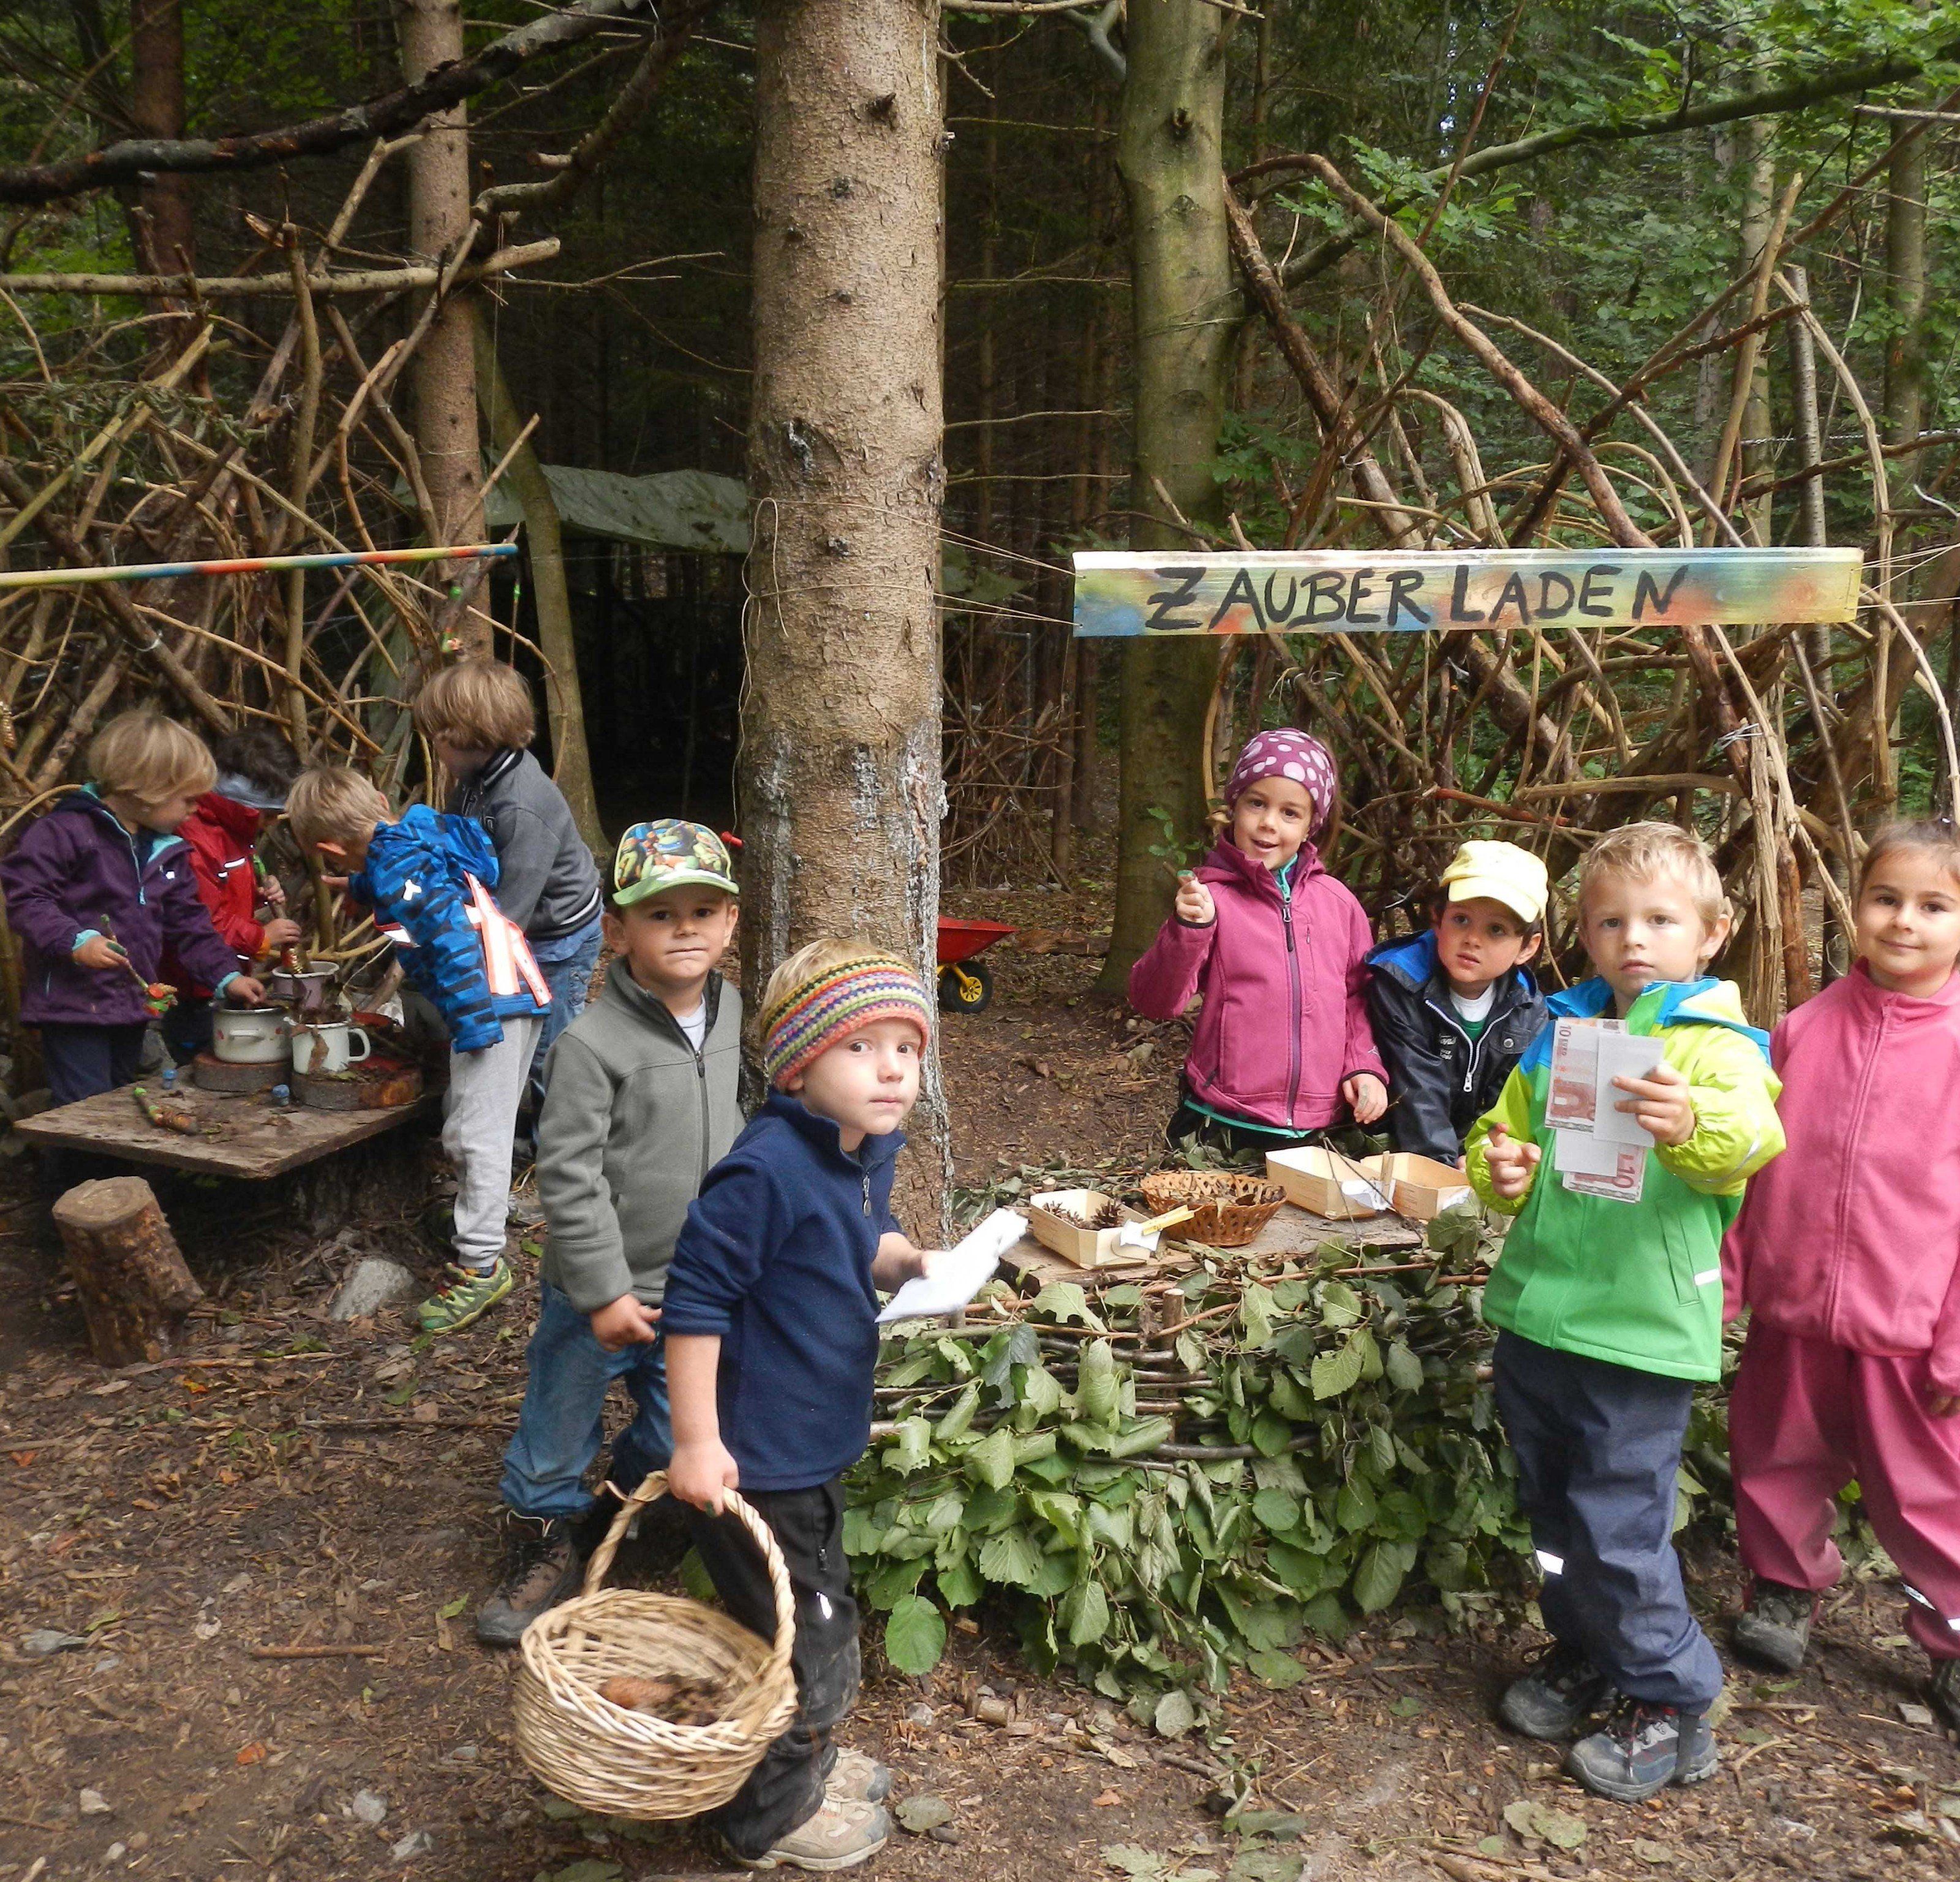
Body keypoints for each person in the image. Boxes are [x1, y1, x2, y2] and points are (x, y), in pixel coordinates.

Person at [1466, 821, 1784, 1803]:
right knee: (1556, 1515)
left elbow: (1752, 1140)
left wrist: (1692, 1123)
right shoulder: (1566, 1036)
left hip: (1640, 1335)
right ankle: (1588, 1648)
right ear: (1584, 936)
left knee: (1619, 1526)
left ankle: (1673, 1697)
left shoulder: (1718, 1048)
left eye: (1659, 919)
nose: (1634, 939)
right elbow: (1496, 1139)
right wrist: (1500, 1168)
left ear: (1712, 932)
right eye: (1611, 922)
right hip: (1542, 1317)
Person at [661, 941, 940, 1871]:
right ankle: (770, 1816)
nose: (893, 1067)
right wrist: (696, 1442)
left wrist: (900, 1260)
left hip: (810, 1444)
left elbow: (861, 1235)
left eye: (907, 1045)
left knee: (805, 1612)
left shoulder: (856, 1150)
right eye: (864, 1047)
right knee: (806, 1634)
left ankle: (802, 1759)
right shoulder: (767, 1170)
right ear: (800, 1063)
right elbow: (695, 1305)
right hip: (755, 1458)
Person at [476, 822, 745, 1646]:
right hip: (599, 1289)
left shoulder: (732, 1011)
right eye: (662, 916)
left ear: (731, 924)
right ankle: (545, 1535)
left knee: (676, 1426)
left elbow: (737, 1119)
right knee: (560, 1419)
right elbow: (569, 1173)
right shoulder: (592, 1045)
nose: (687, 930)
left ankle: (618, 1506)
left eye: (705, 911)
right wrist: (601, 1290)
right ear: (619, 930)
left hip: (693, 1296)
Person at [1721, 821, 1960, 1730]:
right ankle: (1782, 1589)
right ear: (1855, 907)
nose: (1905, 922)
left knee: (1933, 1494)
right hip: (1792, 1313)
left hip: (1910, 1330)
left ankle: (1952, 1635)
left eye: (1934, 907)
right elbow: (1751, 1166)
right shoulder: (1802, 1030)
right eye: (1887, 899)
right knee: (1776, 1458)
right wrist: (1729, 1286)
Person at [285, 767, 549, 1335]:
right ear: (382, 801)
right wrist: (362, 886)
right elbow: (434, 874)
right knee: (472, 1121)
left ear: (330, 849)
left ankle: (481, 1265)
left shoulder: (401, 868)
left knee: (478, 1134)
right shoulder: (418, 839)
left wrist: (473, 1023)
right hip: (519, 987)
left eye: (337, 863)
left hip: (491, 1003)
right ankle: (479, 1218)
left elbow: (451, 938)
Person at [1128, 729, 1387, 1157]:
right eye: (1257, 804)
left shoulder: (1339, 905)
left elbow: (1359, 999)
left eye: (1290, 813)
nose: (1269, 823)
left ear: (1311, 826)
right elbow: (1154, 1000)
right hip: (1222, 1126)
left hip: (1320, 1131)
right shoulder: (1212, 898)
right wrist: (1188, 930)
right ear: (1234, 808)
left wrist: (1364, 1065)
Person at [0, 711, 266, 1109]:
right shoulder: (65, 833)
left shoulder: (169, 851)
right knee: (83, 1112)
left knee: (119, 1102)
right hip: (75, 1006)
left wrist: (227, 976)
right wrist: (75, 940)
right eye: (188, 799)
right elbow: (26, 899)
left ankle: (112, 1172)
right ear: (148, 790)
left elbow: (190, 924)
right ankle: (75, 1174)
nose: (196, 809)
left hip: (131, 1003)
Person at [412, 659, 603, 1128]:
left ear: (467, 734)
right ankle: (524, 1129)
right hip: (522, 925)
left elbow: (509, 912)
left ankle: (558, 1147)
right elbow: (453, 848)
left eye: (438, 736)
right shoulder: (475, 784)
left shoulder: (521, 803)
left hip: (559, 935)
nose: (433, 747)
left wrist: (449, 948)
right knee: (522, 1036)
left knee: (548, 1049)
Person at [1365, 841, 1549, 1164]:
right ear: (1438, 919)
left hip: (1464, 1144)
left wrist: (1478, 1155)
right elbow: (1417, 1086)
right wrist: (1442, 1167)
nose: (1473, 940)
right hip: (1394, 1141)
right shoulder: (1401, 983)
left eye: (1496, 930)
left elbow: (1507, 1100)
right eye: (1461, 920)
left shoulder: (1528, 1009)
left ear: (1527, 948)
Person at [160, 726, 305, 1063]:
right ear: (246, 807)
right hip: (193, 988)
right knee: (203, 1060)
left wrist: (257, 893)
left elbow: (224, 894)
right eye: (268, 815)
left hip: (226, 977)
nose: (271, 824)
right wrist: (260, 937)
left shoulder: (235, 835)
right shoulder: (196, 840)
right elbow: (200, 918)